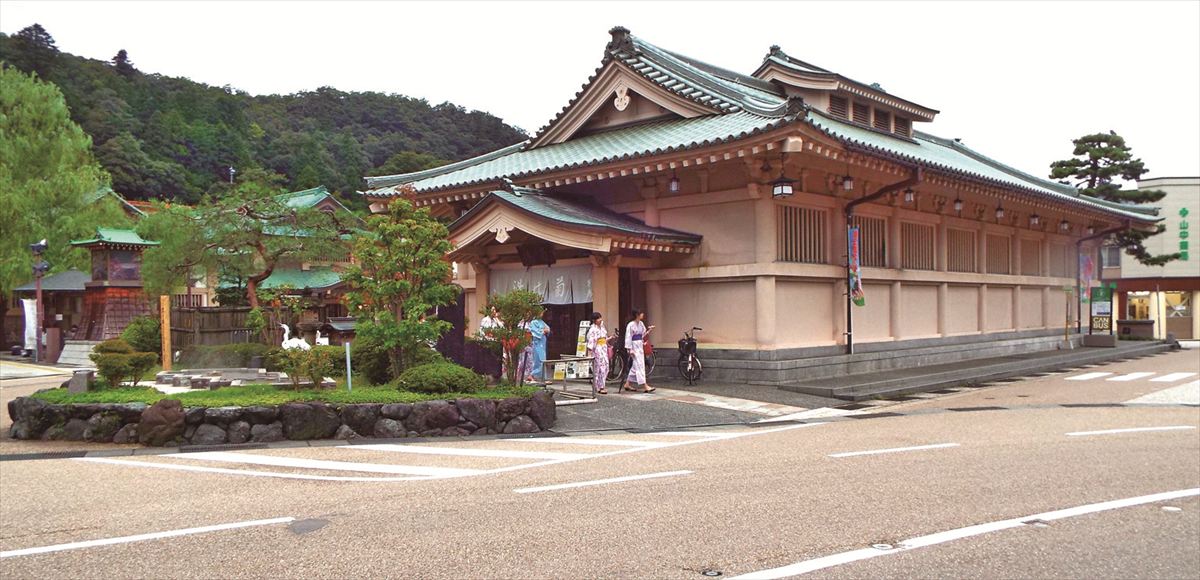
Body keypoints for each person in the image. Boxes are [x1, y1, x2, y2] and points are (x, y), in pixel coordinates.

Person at [621, 308, 656, 393]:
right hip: (634, 346)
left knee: (636, 365)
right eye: (641, 313)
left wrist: (649, 330)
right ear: (637, 315)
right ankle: (645, 385)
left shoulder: (641, 324)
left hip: (639, 345)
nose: (642, 315)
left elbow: (642, 335)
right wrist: (629, 349)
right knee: (640, 365)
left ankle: (627, 383)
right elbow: (628, 337)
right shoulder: (631, 325)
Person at [585, 311, 615, 395]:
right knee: (600, 368)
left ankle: (598, 385)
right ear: (594, 320)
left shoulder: (602, 328)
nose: (600, 319)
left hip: (603, 348)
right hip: (597, 349)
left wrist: (610, 338)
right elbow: (591, 342)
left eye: (600, 317)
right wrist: (589, 353)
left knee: (606, 367)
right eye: (598, 318)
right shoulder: (592, 330)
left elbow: (604, 339)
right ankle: (600, 386)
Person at [527, 310, 551, 384]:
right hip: (537, 342)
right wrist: (543, 331)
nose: (542, 314)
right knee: (539, 360)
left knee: (543, 360)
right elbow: (535, 332)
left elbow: (548, 329)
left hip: (542, 342)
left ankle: (542, 377)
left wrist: (545, 330)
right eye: (540, 312)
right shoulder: (533, 322)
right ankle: (532, 375)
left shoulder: (541, 321)